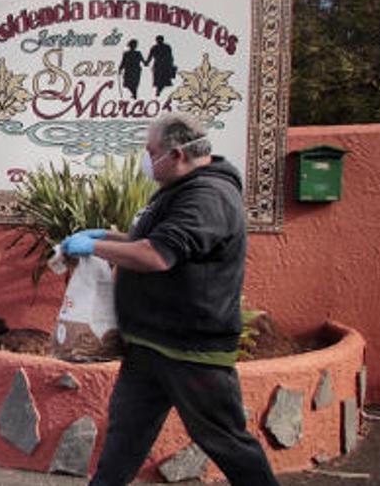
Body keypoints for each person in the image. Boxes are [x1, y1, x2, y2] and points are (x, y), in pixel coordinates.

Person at [58, 113, 279, 486]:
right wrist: (109, 237)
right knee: (125, 437)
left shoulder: (208, 196)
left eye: (150, 152)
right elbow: (151, 241)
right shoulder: (180, 189)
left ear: (176, 154)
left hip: (190, 351)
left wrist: (96, 246)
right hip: (149, 346)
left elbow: (158, 255)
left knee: (223, 439)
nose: (146, 159)